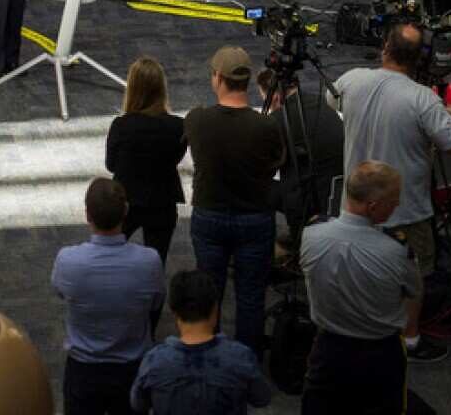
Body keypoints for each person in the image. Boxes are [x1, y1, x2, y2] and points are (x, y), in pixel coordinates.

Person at [328, 22, 451, 362]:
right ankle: (410, 337)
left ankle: (358, 331)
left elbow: (332, 100)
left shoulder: (352, 80)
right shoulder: (422, 99)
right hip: (407, 210)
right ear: (420, 59)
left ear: (385, 48)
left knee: (359, 269)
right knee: (412, 276)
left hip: (358, 204)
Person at [184, 46, 285, 357]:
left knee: (209, 293)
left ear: (217, 78)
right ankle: (246, 363)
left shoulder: (197, 119)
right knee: (252, 296)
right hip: (255, 219)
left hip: (209, 217)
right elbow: (274, 164)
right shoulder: (267, 125)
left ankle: (207, 356)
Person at [300, 161, 423, 415]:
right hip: (379, 355)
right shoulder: (397, 251)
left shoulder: (311, 234)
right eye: (394, 199)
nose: (397, 204)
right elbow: (413, 291)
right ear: (374, 206)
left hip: (327, 349)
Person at [52, 178, 165, 415]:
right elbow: (155, 303)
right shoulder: (150, 261)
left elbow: (60, 292)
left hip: (83, 369)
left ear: (87, 214)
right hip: (131, 369)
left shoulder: (68, 260)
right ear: (125, 211)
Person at [130, 270, 271, 415]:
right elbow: (262, 398)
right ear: (215, 308)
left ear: (174, 312)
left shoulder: (155, 360)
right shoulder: (240, 357)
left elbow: (138, 403)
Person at [106, 56, 188, 267]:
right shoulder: (178, 126)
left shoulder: (121, 126)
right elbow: (175, 158)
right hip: (163, 201)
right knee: (155, 263)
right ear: (162, 89)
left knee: (110, 258)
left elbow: (111, 165)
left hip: (126, 200)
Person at [256, 68, 344, 237]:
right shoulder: (321, 102)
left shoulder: (278, 120)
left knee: (253, 185)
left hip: (309, 201)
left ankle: (262, 243)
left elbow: (264, 168)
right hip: (339, 194)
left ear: (274, 97)